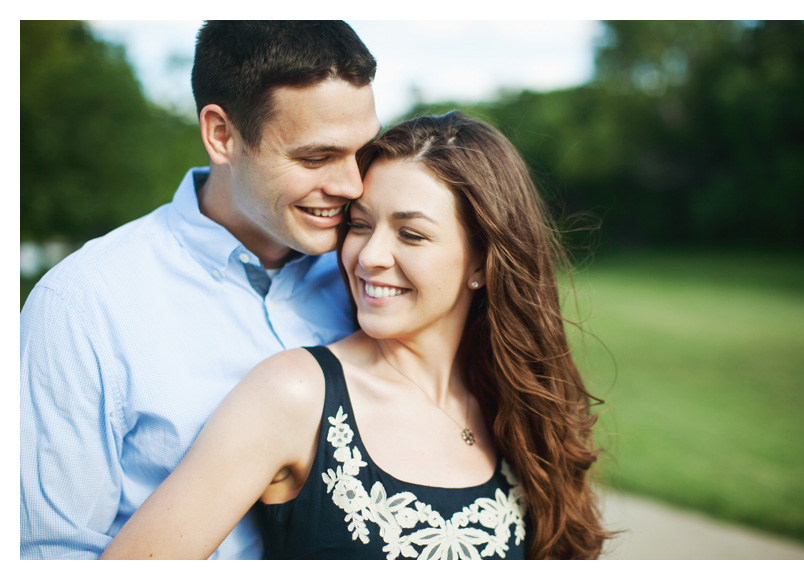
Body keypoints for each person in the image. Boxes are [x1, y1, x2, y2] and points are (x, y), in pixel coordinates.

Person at [99, 112, 609, 560]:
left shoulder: (515, 401)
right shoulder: (292, 394)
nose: (368, 257)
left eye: (410, 234)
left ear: (481, 260)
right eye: (360, 225)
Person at [20, 21, 381, 559]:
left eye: (361, 153)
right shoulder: (82, 304)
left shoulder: (372, 282)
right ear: (222, 135)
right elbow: (51, 556)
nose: (351, 185)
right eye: (315, 158)